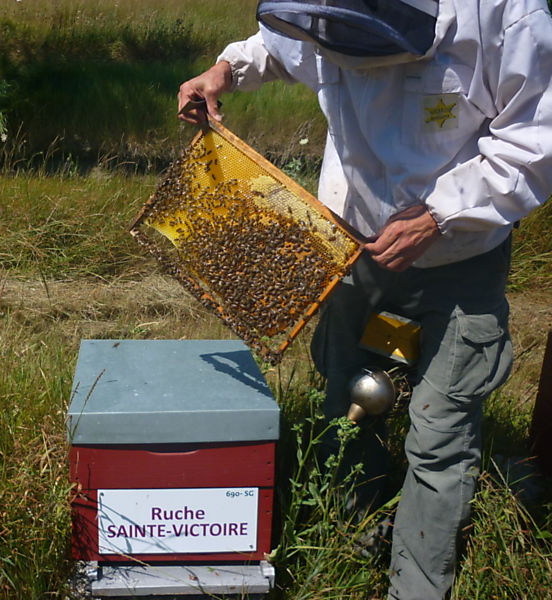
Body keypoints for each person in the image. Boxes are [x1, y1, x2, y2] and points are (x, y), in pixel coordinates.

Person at [177, 1, 552, 598]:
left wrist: (439, 214)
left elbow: (536, 142)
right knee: (352, 400)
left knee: (440, 433)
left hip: (456, 268)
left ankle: (417, 588)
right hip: (354, 252)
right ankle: (350, 547)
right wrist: (227, 68)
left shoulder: (506, 13)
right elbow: (283, 43)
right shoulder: (328, 10)